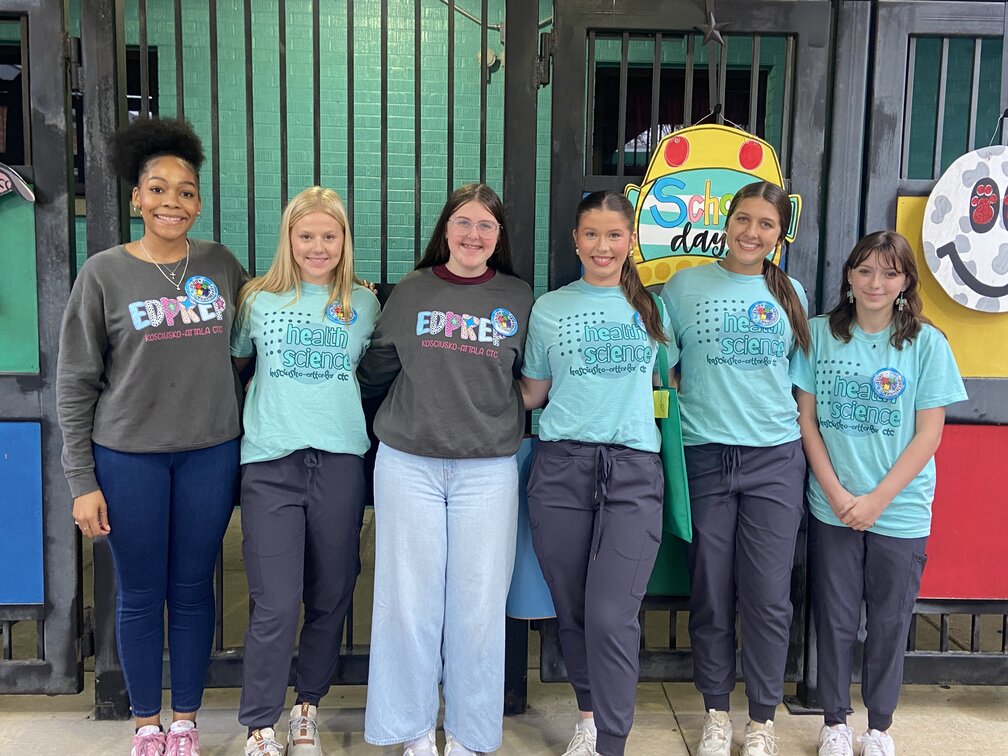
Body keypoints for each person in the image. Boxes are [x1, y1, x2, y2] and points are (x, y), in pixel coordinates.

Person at [56, 117, 247, 756]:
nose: (173, 202)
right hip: (128, 457)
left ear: (199, 200)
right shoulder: (104, 273)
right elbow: (76, 382)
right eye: (158, 189)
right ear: (136, 198)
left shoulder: (221, 264)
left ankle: (186, 721)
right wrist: (82, 483)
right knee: (139, 592)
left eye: (186, 190)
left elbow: (261, 332)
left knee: (194, 588)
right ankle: (145, 723)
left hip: (210, 452)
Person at [359, 183, 533, 756]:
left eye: (486, 225)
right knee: (408, 601)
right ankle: (410, 730)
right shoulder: (411, 291)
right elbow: (378, 368)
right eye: (463, 222)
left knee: (479, 605)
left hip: (487, 468)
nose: (473, 235)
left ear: (499, 236)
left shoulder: (518, 297)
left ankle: (468, 735)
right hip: (409, 463)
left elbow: (531, 381)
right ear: (445, 229)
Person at [793, 232, 967, 756]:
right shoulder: (819, 335)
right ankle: (834, 723)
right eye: (865, 270)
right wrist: (837, 492)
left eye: (890, 273)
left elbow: (929, 434)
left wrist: (876, 501)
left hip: (901, 509)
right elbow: (806, 420)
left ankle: (879, 728)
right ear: (849, 276)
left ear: (905, 282)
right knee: (835, 616)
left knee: (890, 621)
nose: (876, 283)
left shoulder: (927, 343)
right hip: (832, 505)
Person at [659, 180, 811, 756]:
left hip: (774, 460)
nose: (752, 233)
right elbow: (666, 369)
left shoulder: (790, 291)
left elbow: (801, 389)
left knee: (769, 596)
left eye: (765, 225)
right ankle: (717, 713)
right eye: (743, 220)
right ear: (727, 221)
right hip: (704, 455)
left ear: (779, 233)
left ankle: (763, 719)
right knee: (712, 590)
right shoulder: (684, 286)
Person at [519, 191, 673, 756]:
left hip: (632, 471)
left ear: (630, 240)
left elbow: (672, 386)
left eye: (613, 235)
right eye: (591, 234)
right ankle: (588, 718)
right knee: (575, 609)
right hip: (561, 467)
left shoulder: (655, 309)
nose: (602, 246)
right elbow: (533, 392)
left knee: (612, 614)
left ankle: (612, 740)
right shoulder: (549, 308)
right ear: (575, 240)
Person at [232, 187, 380, 756]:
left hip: (341, 459)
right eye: (306, 235)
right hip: (270, 461)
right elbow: (238, 365)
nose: (318, 246)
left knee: (331, 590)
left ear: (344, 240)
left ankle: (306, 708)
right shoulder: (257, 300)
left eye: (329, 235)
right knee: (274, 598)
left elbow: (378, 368)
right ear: (288, 240)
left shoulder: (364, 304)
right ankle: (260, 726)